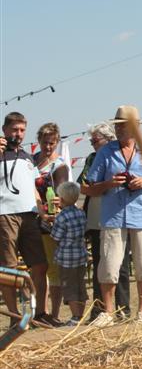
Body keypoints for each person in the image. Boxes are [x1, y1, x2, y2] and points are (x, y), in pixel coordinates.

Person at [86, 105, 142, 326]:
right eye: (119, 126)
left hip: (141, 213)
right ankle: (109, 312)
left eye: (126, 126)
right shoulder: (105, 152)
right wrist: (109, 183)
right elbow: (91, 187)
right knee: (109, 265)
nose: (122, 130)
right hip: (113, 215)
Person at [78, 122, 131, 321]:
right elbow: (83, 185)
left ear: (108, 140)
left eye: (95, 140)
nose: (92, 144)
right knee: (101, 264)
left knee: (122, 264)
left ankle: (123, 309)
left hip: (120, 214)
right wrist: (104, 185)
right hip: (97, 217)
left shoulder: (123, 154)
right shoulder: (92, 159)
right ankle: (100, 310)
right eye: (91, 141)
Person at [0, 112, 48, 325]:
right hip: (4, 215)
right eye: (14, 130)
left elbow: (35, 189)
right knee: (8, 269)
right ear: (4, 130)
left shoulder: (28, 157)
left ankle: (36, 313)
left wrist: (43, 211)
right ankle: (14, 317)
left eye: (22, 130)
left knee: (39, 265)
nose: (18, 134)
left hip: (30, 215)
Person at [34, 122, 69, 325]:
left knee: (53, 269)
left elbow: (62, 191)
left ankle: (54, 314)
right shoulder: (32, 161)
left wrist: (58, 200)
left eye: (52, 143)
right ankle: (41, 311)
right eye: (45, 142)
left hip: (52, 220)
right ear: (39, 141)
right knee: (38, 268)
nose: (48, 147)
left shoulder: (59, 164)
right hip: (33, 220)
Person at [50, 182, 88, 326]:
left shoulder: (62, 217)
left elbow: (56, 237)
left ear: (62, 199)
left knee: (69, 286)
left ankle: (75, 316)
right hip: (80, 254)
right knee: (80, 285)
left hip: (66, 258)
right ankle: (81, 315)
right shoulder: (80, 213)